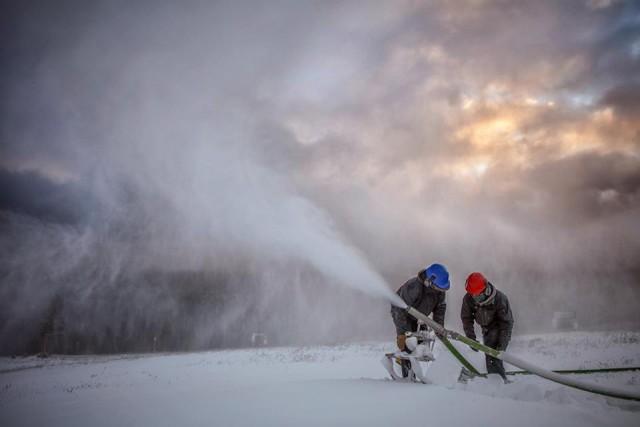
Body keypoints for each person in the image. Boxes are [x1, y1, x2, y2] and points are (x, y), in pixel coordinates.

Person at [390, 263, 450, 377]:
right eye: (438, 288)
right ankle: (408, 377)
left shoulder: (439, 290)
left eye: (442, 289)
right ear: (429, 281)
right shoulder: (414, 287)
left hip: (419, 317)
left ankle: (414, 371)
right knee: (408, 345)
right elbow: (398, 308)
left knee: (421, 346)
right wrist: (401, 333)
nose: (440, 291)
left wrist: (439, 327)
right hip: (403, 314)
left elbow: (440, 308)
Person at [461, 272, 514, 383]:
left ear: (485, 290)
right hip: (485, 327)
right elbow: (466, 319)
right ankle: (495, 378)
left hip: (498, 326)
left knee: (493, 352)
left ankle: (499, 381)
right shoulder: (468, 299)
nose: (475, 297)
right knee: (489, 352)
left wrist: (502, 345)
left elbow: (507, 323)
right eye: (473, 294)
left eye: (478, 295)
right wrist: (471, 339)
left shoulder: (500, 298)